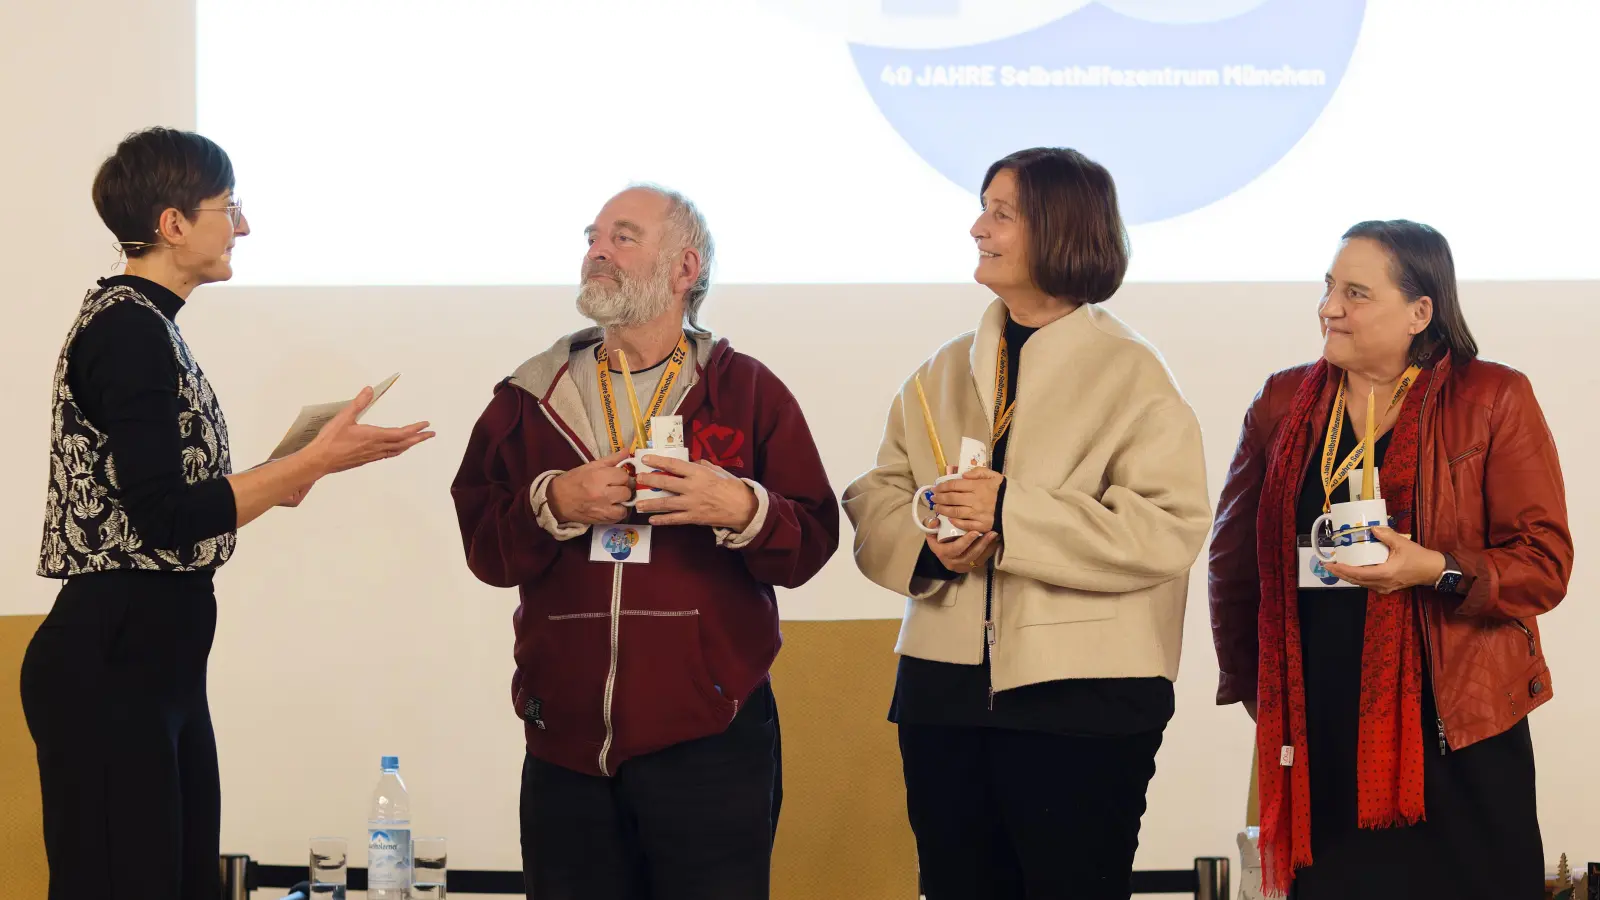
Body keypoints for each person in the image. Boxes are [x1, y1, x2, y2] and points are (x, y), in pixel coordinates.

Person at [20, 127, 435, 900]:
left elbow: (168, 508)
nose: (242, 226)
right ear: (174, 224)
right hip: (115, 659)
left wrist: (288, 476)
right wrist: (301, 466)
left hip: (157, 660)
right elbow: (163, 517)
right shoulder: (129, 331)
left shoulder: (149, 327)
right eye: (229, 206)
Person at [449, 183, 839, 900]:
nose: (597, 250)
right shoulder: (527, 398)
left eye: (623, 236)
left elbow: (811, 542)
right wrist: (554, 501)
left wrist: (740, 505)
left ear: (685, 269)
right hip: (563, 736)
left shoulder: (746, 391)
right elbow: (483, 545)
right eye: (593, 236)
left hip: (712, 732)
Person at [841, 147, 1212, 899]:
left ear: (1059, 228)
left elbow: (1167, 528)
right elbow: (876, 493)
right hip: (942, 694)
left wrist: (1010, 514)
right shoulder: (941, 369)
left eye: (1000, 213)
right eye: (984, 209)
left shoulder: (1134, 373)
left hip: (1085, 700)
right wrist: (933, 542)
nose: (977, 227)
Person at [1208, 220, 1572, 899]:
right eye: (1328, 288)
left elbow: (1543, 561)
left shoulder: (1492, 397)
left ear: (1419, 311)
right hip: (1321, 727)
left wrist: (1433, 568)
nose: (1329, 308)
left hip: (1457, 729)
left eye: (1355, 293)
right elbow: (1234, 563)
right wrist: (1260, 693)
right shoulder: (1284, 403)